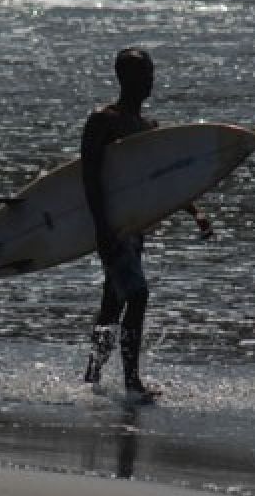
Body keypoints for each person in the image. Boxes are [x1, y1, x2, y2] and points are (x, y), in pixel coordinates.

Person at [80, 48, 212, 401]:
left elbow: (163, 181)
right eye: (142, 75)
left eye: (150, 74)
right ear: (123, 78)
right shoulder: (103, 120)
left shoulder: (149, 127)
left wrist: (195, 213)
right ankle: (131, 381)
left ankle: (91, 377)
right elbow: (89, 177)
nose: (149, 81)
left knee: (113, 302)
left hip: (135, 228)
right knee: (137, 295)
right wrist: (102, 229)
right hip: (112, 227)